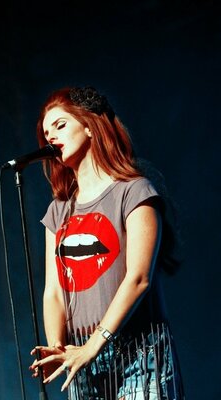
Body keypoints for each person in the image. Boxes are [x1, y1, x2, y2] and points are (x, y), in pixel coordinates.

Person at [28, 86, 184, 399]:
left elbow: (139, 279)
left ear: (89, 125)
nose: (51, 138)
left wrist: (95, 344)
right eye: (47, 133)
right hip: (82, 356)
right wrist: (58, 349)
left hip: (138, 348)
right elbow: (54, 291)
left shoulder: (135, 191)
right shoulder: (58, 211)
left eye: (60, 125)